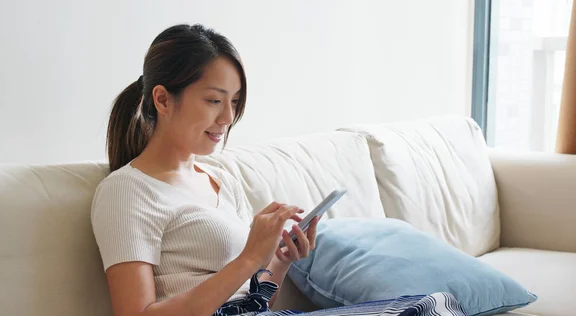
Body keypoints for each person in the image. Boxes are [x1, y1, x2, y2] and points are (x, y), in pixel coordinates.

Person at [91, 24, 467, 316]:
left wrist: (279, 261)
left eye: (235, 102)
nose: (227, 117)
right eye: (213, 100)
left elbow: (251, 302)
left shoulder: (218, 180)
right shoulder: (128, 190)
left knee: (436, 305)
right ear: (162, 99)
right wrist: (250, 259)